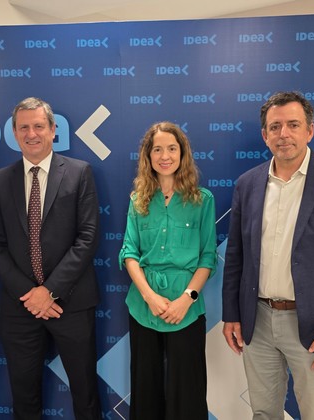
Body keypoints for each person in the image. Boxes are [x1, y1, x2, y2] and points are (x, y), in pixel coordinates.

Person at [221, 91, 314, 419]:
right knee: (263, 413)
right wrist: (232, 314)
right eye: (275, 127)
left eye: (293, 125)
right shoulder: (247, 184)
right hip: (257, 320)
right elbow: (236, 256)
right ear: (265, 135)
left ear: (310, 130)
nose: (283, 134)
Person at [0, 97, 101, 420]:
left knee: (85, 392)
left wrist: (49, 291)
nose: (31, 134)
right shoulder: (0, 180)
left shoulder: (79, 173)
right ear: (14, 133)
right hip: (20, 306)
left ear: (53, 129)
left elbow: (88, 237)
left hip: (71, 303)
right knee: (24, 396)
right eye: (24, 127)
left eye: (38, 126)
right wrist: (30, 293)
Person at [119, 122, 217, 420]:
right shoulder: (138, 200)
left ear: (182, 153)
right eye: (157, 149)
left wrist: (186, 299)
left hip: (186, 308)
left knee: (188, 391)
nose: (165, 156)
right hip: (143, 307)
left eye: (172, 149)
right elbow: (129, 253)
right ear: (148, 156)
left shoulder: (202, 200)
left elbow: (207, 257)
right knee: (145, 388)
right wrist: (149, 297)